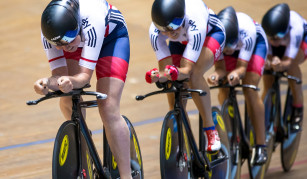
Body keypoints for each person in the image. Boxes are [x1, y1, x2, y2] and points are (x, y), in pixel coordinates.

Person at [33, 0, 132, 178]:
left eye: (67, 40)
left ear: (78, 25)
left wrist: (70, 80)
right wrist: (46, 83)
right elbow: (59, 76)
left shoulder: (91, 18)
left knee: (108, 107)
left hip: (111, 39)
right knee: (67, 97)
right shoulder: (50, 33)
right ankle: (85, 148)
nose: (62, 47)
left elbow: (83, 78)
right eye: (58, 44)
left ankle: (127, 175)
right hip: (79, 40)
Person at [145, 0, 226, 152]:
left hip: (210, 35)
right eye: (164, 30)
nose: (169, 33)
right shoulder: (155, 31)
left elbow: (187, 70)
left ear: (182, 17)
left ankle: (211, 130)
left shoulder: (195, 20)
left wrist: (175, 73)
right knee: (173, 88)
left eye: (173, 26)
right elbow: (166, 71)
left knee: (194, 75)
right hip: (181, 41)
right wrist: (158, 76)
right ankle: (185, 145)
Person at [207, 6, 268, 165]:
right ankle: (233, 134)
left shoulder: (246, 31)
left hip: (255, 46)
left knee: (250, 89)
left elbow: (242, 68)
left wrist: (237, 73)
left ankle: (261, 145)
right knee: (224, 87)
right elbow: (220, 69)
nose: (226, 51)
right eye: (224, 49)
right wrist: (215, 76)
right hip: (231, 43)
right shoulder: (215, 34)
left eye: (229, 47)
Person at [261, 3, 307, 131]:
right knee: (268, 73)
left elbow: (288, 62)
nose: (273, 41)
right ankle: (266, 110)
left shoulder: (296, 29)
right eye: (270, 38)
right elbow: (266, 57)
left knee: (291, 67)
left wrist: (282, 64)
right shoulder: (266, 31)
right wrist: (269, 62)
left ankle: (297, 108)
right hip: (283, 40)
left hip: (303, 41)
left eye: (276, 38)